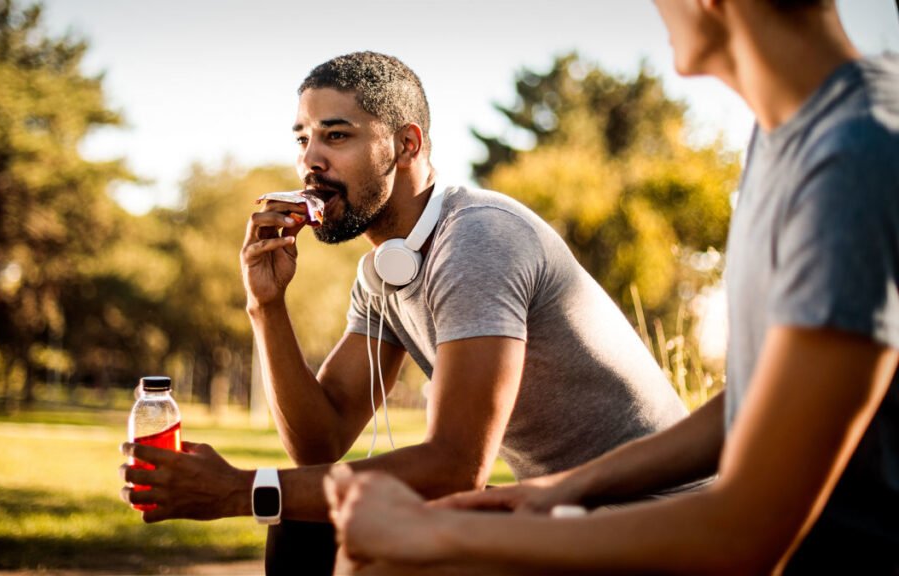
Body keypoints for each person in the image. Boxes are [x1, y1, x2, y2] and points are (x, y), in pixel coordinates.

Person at [324, 1, 899, 574]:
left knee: (395, 565)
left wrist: (439, 533)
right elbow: (756, 401)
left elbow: (745, 533)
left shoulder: (856, 155)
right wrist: (560, 489)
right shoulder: (788, 136)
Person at [120, 51, 692, 575]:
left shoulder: (476, 240)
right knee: (306, 517)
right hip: (559, 514)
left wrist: (238, 489)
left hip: (650, 523)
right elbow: (321, 442)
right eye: (302, 139)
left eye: (335, 135)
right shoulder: (384, 273)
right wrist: (265, 306)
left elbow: (455, 465)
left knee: (300, 510)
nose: (309, 162)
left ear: (406, 144)